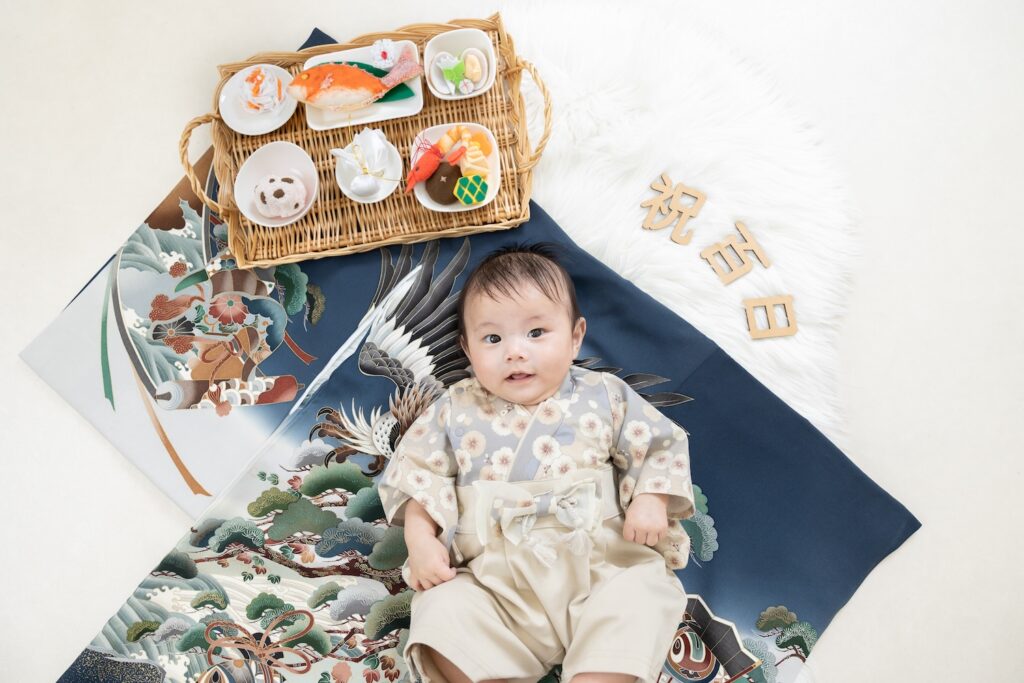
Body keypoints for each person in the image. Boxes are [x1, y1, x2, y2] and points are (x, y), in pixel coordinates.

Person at [378, 243, 695, 683]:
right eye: (492, 339)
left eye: (536, 332)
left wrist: (651, 498)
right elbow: (419, 476)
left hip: (603, 566)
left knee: (639, 598)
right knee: (442, 611)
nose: (515, 352)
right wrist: (420, 540)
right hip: (496, 584)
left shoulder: (603, 394)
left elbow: (659, 444)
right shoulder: (454, 408)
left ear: (575, 336)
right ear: (467, 349)